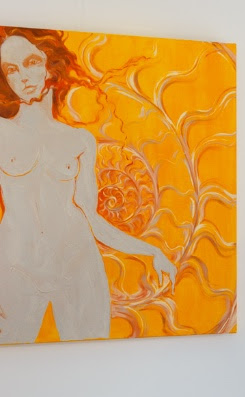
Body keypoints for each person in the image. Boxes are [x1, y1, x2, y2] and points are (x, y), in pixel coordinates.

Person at [0, 26, 176, 344]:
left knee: (94, 356)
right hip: (16, 268)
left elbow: (92, 218)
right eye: (11, 69)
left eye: (31, 62)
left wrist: (151, 251)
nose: (22, 76)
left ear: (50, 65)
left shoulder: (80, 140)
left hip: (77, 264)